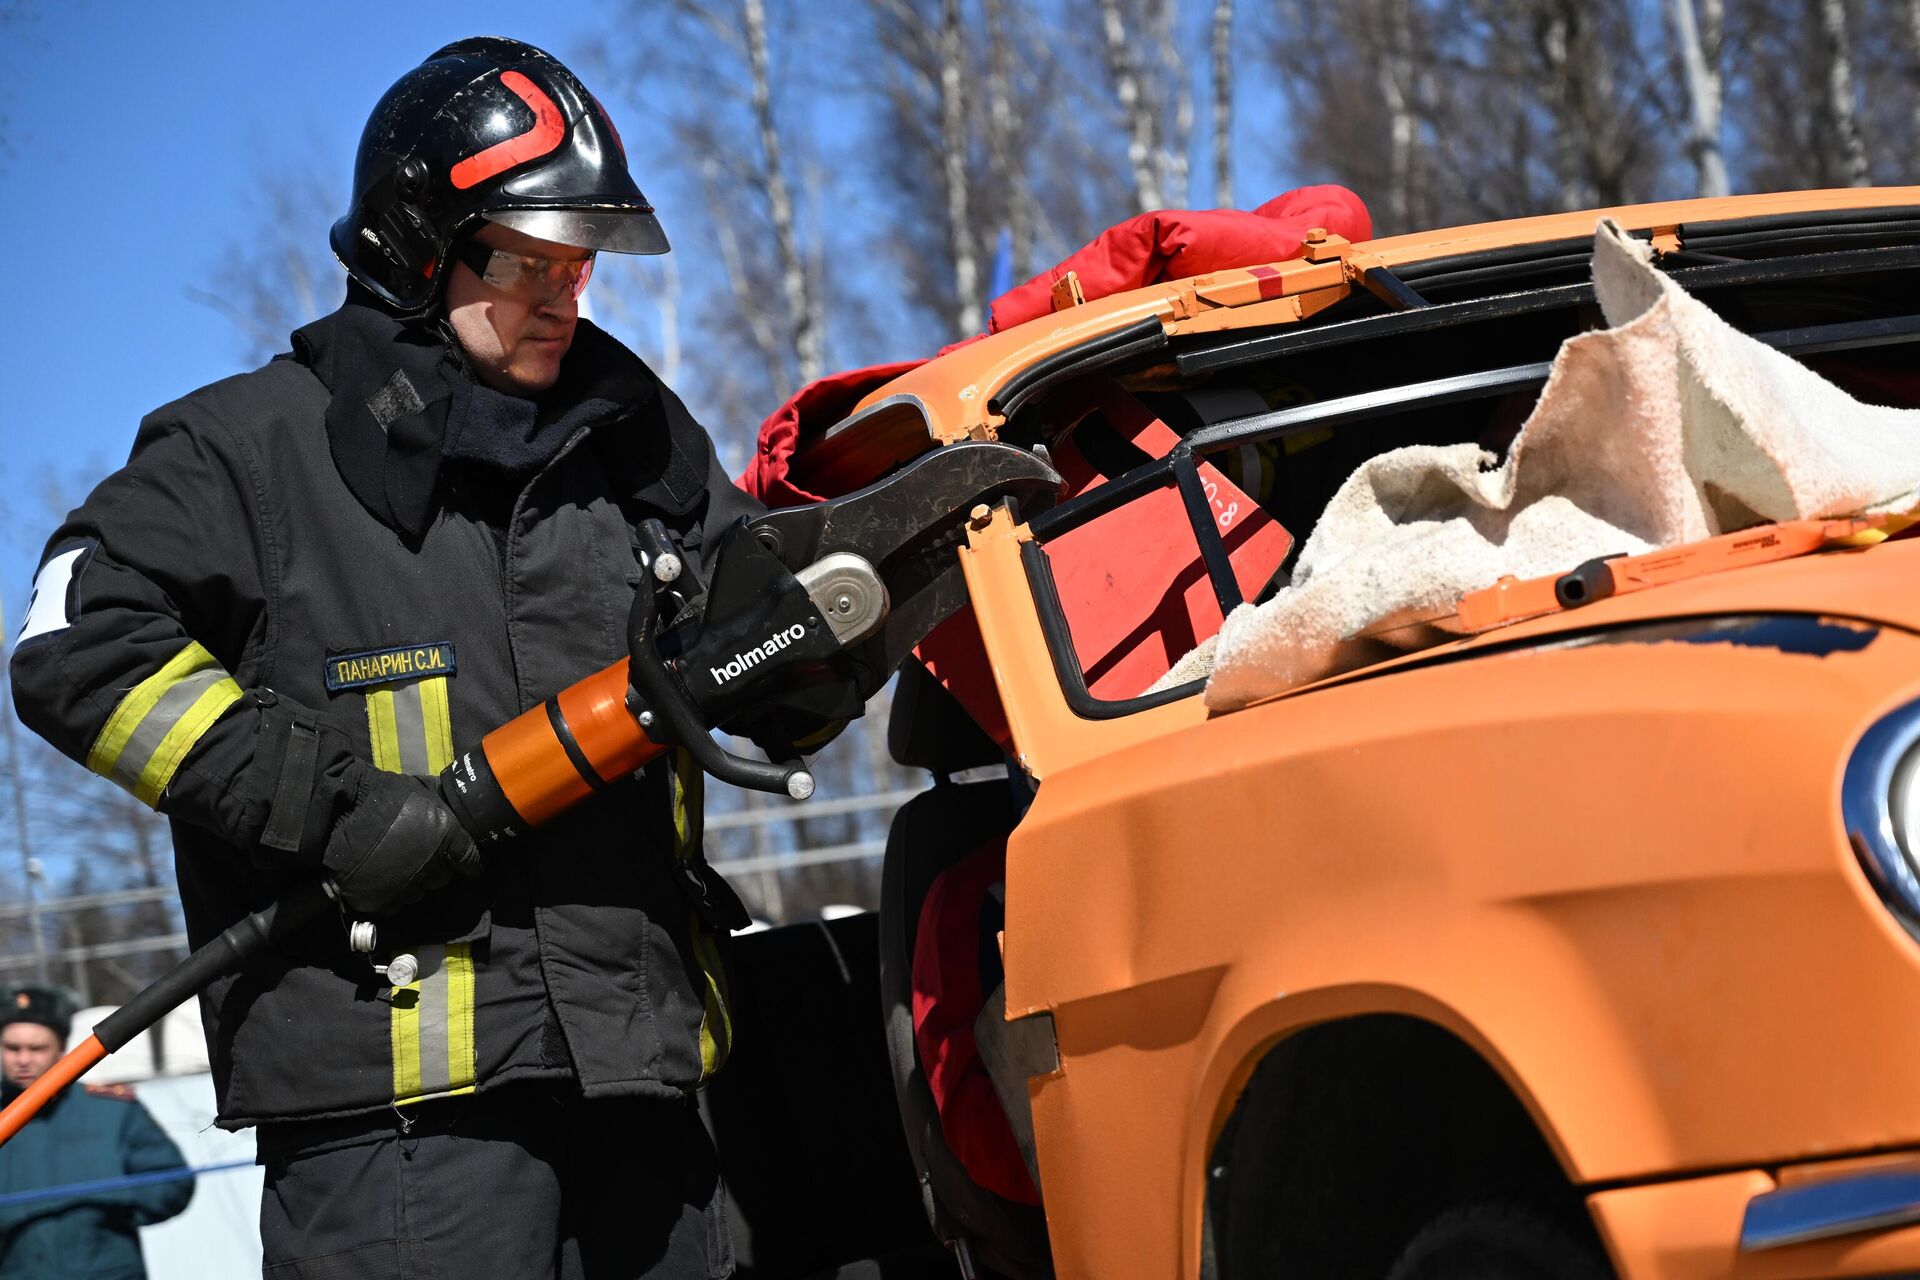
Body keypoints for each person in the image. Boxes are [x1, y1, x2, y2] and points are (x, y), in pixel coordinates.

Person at [10, 37, 764, 1279]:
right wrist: (332, 806)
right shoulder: (251, 451)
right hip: (399, 1147)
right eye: (527, 260)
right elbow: (74, 643)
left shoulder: (638, 444)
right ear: (420, 244)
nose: (564, 296)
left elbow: (760, 639)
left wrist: (822, 658)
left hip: (645, 1096)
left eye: (578, 264)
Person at [0, 985, 193, 1279]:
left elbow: (173, 1183)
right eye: (12, 1048)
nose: (23, 1059)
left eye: (36, 1048)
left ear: (61, 1049)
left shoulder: (112, 1111)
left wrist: (114, 1200)